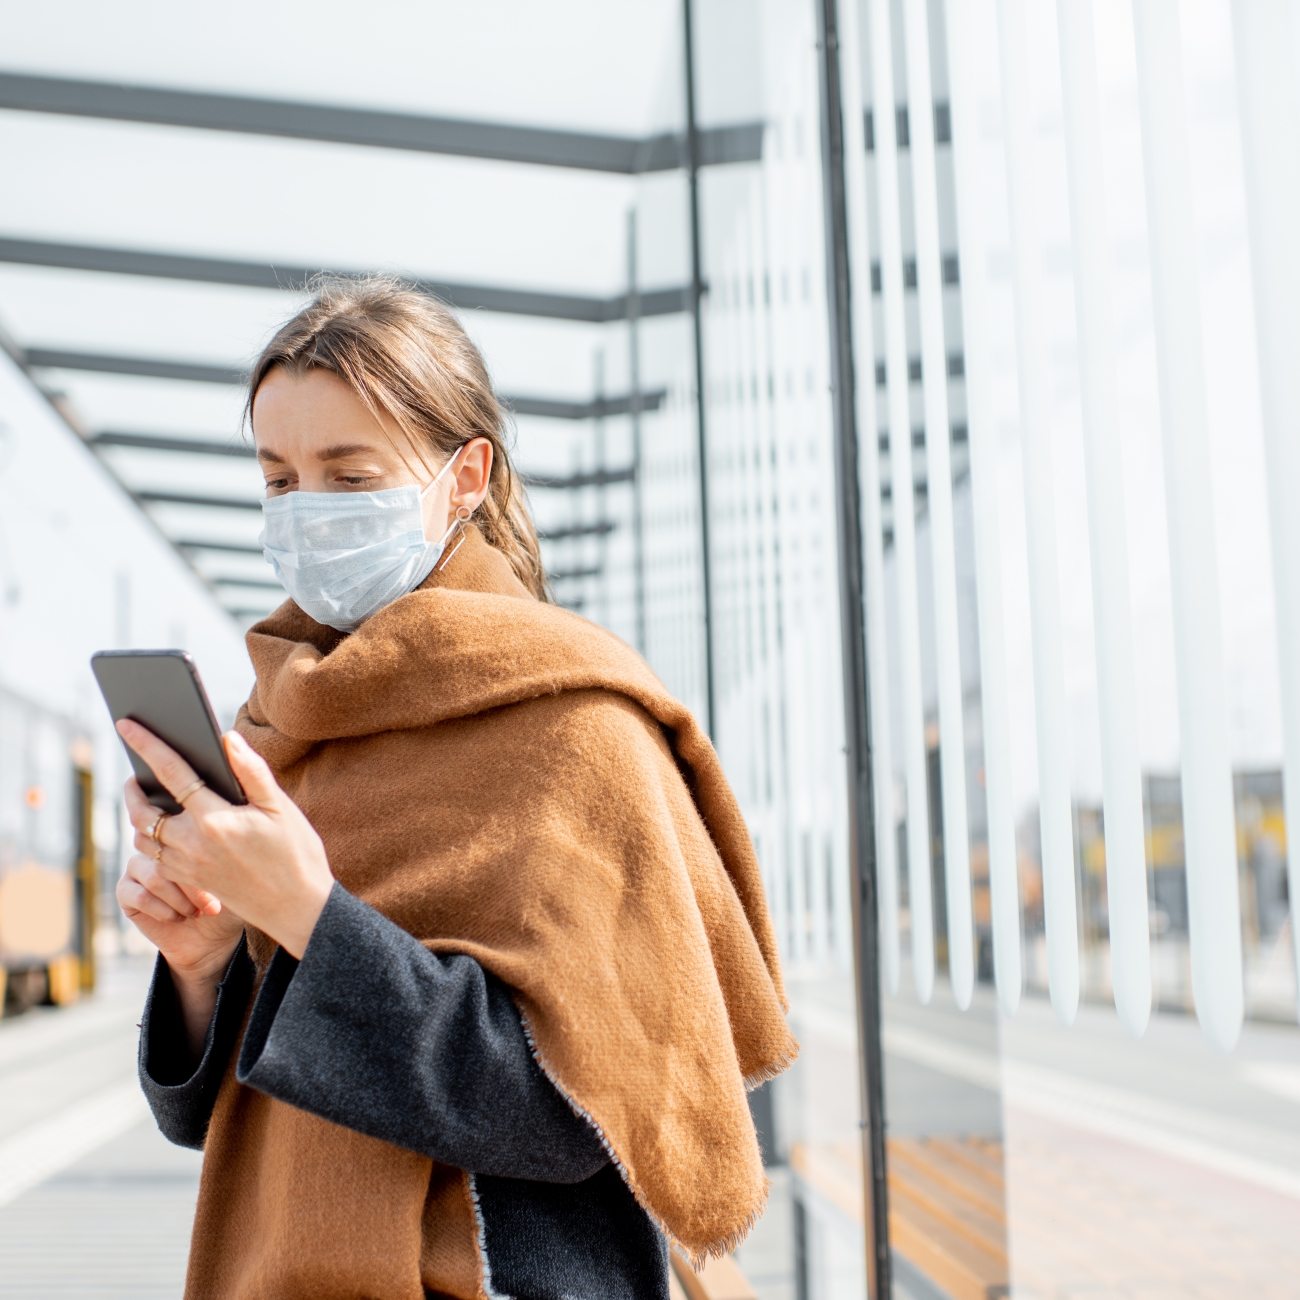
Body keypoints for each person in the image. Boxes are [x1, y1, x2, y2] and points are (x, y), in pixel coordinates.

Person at [117, 278, 796, 1300]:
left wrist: (307, 914)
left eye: (350, 476)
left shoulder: (575, 728)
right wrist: (205, 970)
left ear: (465, 475)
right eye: (278, 479)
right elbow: (220, 1124)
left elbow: (580, 1111)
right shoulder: (281, 726)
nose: (308, 515)